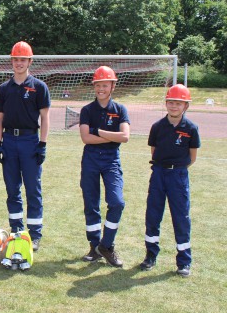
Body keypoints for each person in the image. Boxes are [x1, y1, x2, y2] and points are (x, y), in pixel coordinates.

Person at [0, 41, 50, 251]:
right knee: (12, 188)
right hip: (9, 141)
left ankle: (34, 234)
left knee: (33, 188)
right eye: (16, 59)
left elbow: (45, 118)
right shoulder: (4, 88)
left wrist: (42, 144)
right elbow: (0, 118)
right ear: (12, 61)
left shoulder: (39, 87)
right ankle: (17, 229)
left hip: (29, 141)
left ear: (29, 61)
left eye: (23, 59)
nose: (19, 63)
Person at [140, 84, 200, 277]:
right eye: (171, 102)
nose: (174, 106)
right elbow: (154, 151)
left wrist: (177, 170)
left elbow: (192, 157)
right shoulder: (157, 127)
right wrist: (163, 168)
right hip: (158, 174)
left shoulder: (191, 128)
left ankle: (184, 261)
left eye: (178, 103)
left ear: (185, 106)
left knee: (181, 217)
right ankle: (150, 255)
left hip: (178, 176)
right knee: (153, 215)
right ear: (166, 103)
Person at [79, 66, 130, 267]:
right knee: (91, 205)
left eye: (105, 85)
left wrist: (98, 131)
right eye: (98, 85)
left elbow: (125, 136)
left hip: (111, 160)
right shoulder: (87, 110)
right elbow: (85, 138)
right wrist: (111, 136)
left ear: (112, 86)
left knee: (117, 202)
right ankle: (94, 247)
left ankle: (106, 245)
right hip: (91, 159)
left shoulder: (120, 110)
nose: (101, 88)